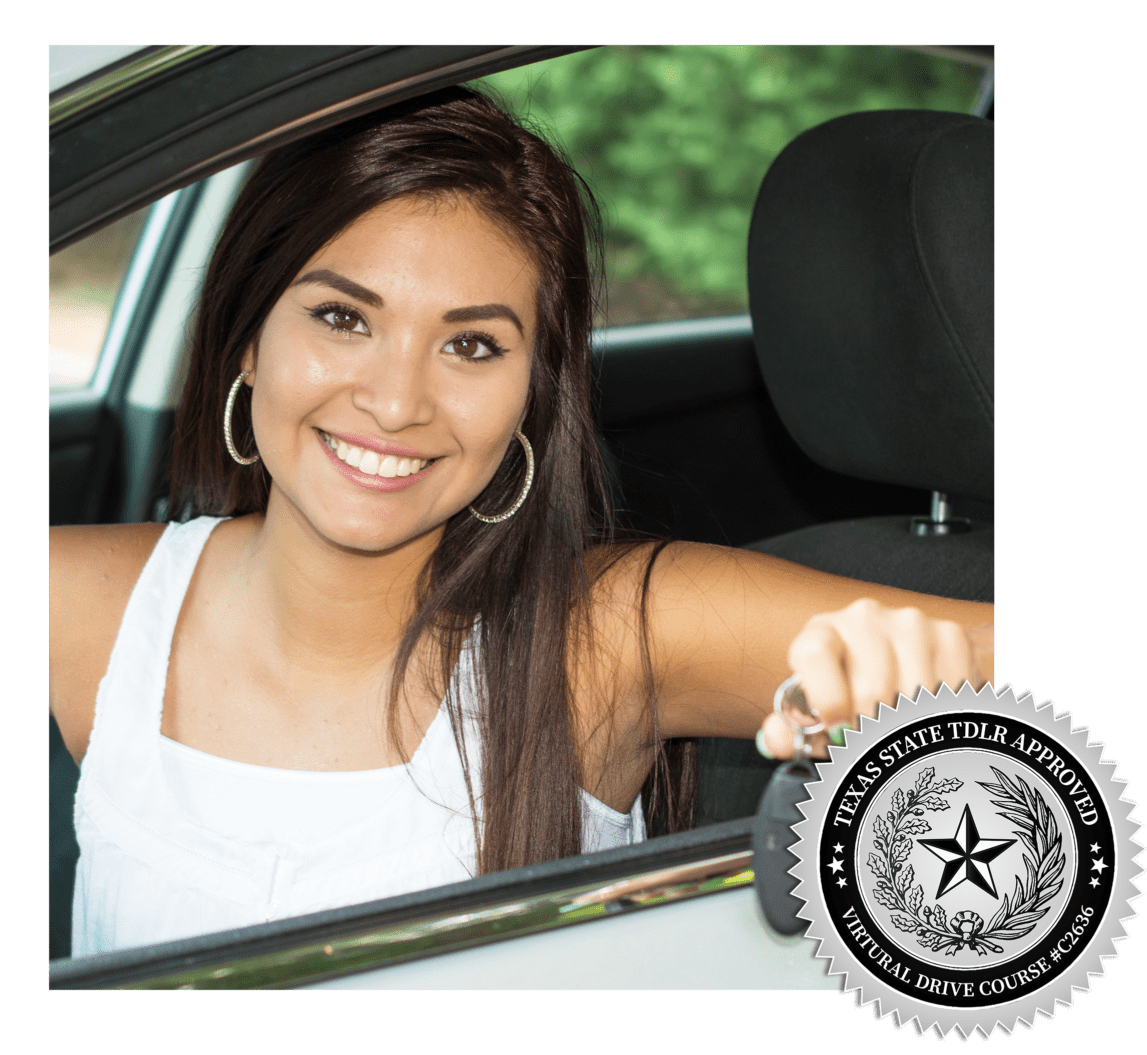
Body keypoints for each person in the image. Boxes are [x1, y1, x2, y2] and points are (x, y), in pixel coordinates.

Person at [48, 87, 993, 957]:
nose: (394, 401)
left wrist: (890, 668)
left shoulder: (608, 635)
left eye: (470, 345)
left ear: (530, 398)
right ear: (248, 337)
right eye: (343, 318)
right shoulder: (77, 603)